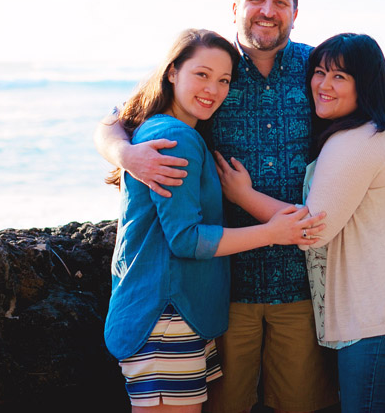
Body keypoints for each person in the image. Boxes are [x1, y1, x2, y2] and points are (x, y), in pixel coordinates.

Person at [94, 0, 385, 413]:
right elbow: (120, 117)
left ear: (295, 12)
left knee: (301, 405)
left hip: (301, 284)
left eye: (280, 2)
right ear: (236, 7)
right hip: (224, 287)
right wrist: (124, 154)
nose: (268, 11)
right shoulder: (213, 66)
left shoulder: (317, 68)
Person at [216, 33, 385, 413]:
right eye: (320, 73)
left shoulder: (355, 142)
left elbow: (313, 229)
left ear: (365, 84)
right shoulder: (384, 127)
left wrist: (242, 194)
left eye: (340, 77)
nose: (324, 85)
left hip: (382, 317)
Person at [104, 28, 326, 412]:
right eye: (202, 75)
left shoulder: (166, 127)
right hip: (166, 316)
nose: (213, 89)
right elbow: (186, 239)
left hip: (173, 312)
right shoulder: (174, 137)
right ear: (172, 72)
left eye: (224, 80)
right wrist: (272, 232)